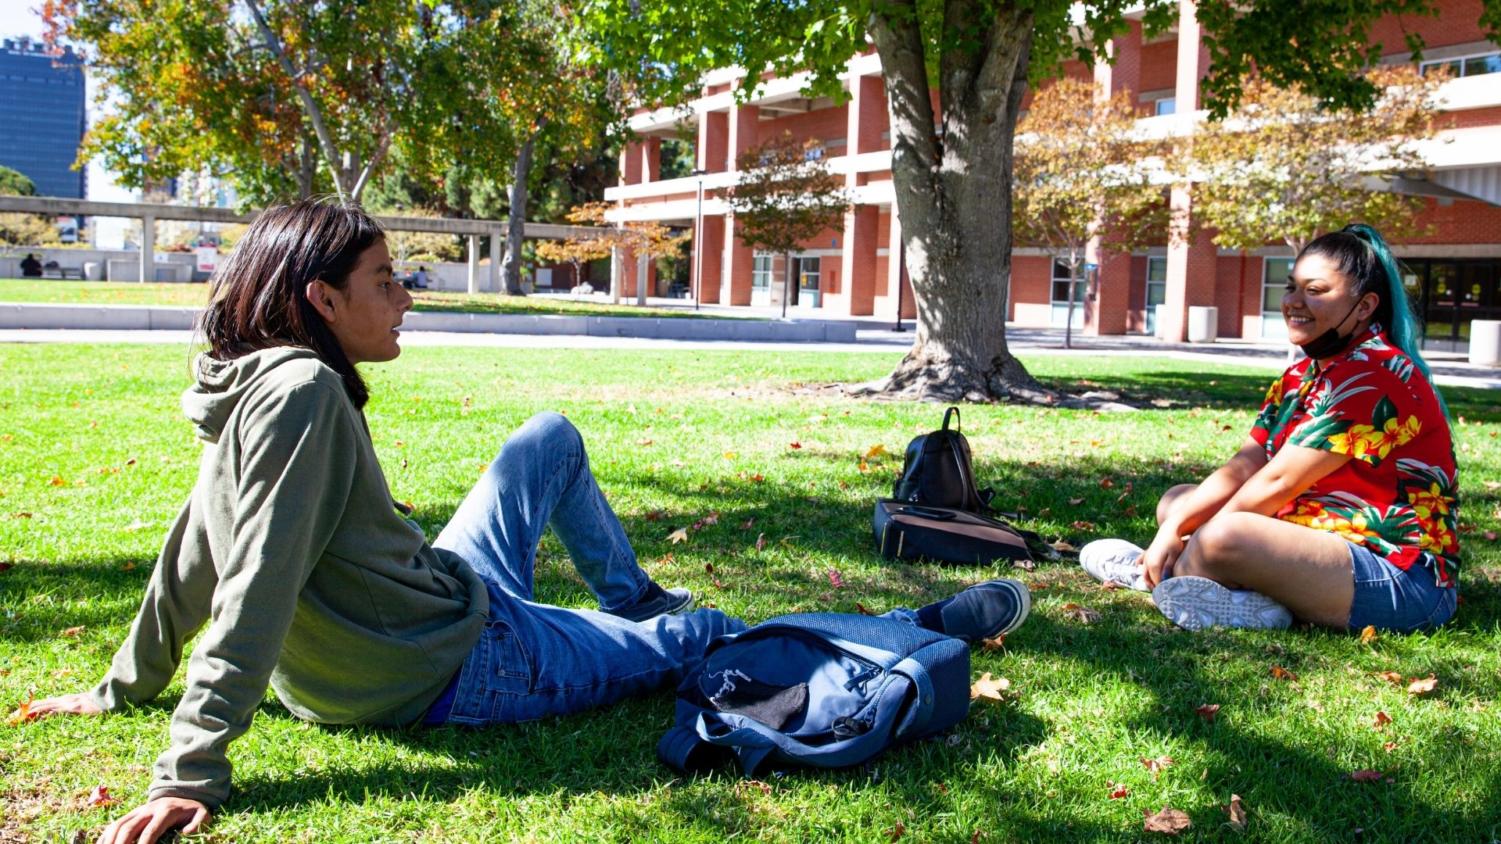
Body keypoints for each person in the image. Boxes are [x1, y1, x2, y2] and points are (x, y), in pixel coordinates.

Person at [21, 199, 1032, 844]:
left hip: (430, 608)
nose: (405, 298)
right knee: (693, 638)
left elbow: (195, 541)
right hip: (458, 664)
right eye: (385, 281)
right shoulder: (299, 395)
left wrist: (124, 685)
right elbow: (247, 581)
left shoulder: (251, 383)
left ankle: (635, 601)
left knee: (546, 438)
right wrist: (191, 763)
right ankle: (910, 631)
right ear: (322, 299)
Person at [1080, 224, 1459, 634]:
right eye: (1291, 287)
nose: (1295, 302)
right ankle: (1241, 596)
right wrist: (1176, 526)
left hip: (1397, 578)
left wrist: (1193, 538)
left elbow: (1278, 480)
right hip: (1318, 534)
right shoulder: (1303, 374)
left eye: (1315, 290)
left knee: (1224, 534)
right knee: (1177, 501)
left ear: (1365, 306)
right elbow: (1246, 465)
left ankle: (1158, 576)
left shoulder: (1376, 374)